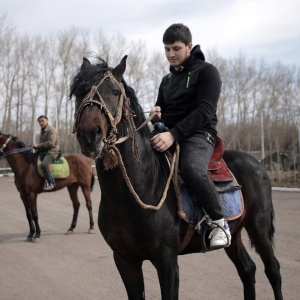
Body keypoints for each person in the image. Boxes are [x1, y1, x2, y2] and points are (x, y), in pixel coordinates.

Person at [150, 23, 231, 248]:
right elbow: (161, 107)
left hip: (199, 134)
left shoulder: (207, 71)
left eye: (176, 48)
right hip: (168, 132)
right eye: (166, 49)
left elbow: (205, 111)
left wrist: (173, 135)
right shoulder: (167, 80)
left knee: (192, 170)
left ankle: (219, 222)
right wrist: (157, 113)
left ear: (189, 46)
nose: (171, 54)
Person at [33, 115, 60, 191]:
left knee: (44, 164)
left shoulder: (52, 130)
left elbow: (51, 143)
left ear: (47, 121)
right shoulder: (42, 131)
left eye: (42, 121)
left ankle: (51, 183)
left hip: (51, 152)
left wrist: (37, 146)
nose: (41, 123)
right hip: (43, 151)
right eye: (39, 122)